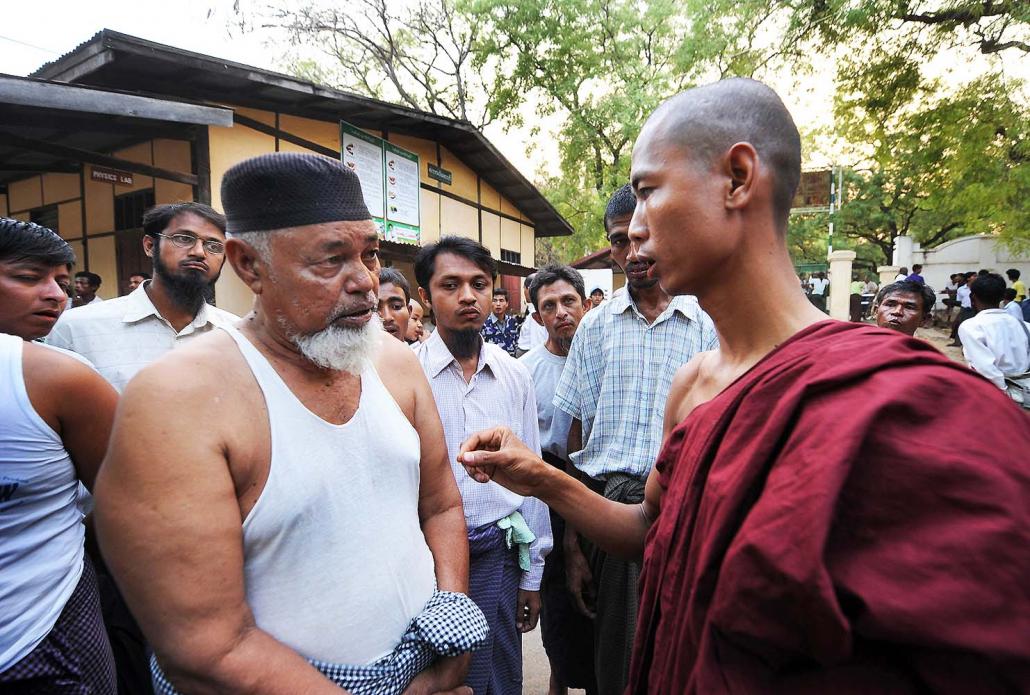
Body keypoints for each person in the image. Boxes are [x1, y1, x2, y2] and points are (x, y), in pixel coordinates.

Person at [457, 78, 1030, 693]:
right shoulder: (693, 387)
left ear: (737, 177)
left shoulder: (911, 405)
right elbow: (651, 533)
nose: (636, 232)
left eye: (650, 192)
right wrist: (538, 476)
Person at [95, 153, 485, 695]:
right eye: (330, 260)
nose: (365, 284)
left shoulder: (395, 364)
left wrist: (450, 635)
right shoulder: (176, 400)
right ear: (248, 264)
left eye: (370, 255)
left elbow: (440, 505)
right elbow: (207, 648)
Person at [552, 184, 717, 695]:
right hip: (611, 509)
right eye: (618, 241)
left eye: (641, 237)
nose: (632, 253)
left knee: (687, 651)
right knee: (618, 662)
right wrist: (575, 546)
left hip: (686, 506)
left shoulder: (706, 324)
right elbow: (575, 439)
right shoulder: (595, 327)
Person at [412, 236, 552, 694]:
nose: (468, 297)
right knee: (442, 677)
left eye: (479, 284)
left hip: (500, 553)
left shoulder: (514, 375)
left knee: (502, 673)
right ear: (425, 297)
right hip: (428, 560)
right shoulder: (405, 375)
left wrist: (533, 574)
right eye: (450, 285)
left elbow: (532, 477)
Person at [0, 218, 119, 693]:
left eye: (63, 283)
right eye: (29, 278)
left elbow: (119, 500)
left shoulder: (63, 378)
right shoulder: (60, 375)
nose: (55, 295)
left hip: (40, 624)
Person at [49, 202, 238, 392]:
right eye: (183, 238)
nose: (199, 252)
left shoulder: (237, 335)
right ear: (150, 246)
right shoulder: (74, 329)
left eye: (213, 245)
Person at [519, 265, 596, 695]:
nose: (561, 312)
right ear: (537, 316)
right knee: (558, 603)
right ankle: (558, 682)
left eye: (568, 301)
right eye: (549, 306)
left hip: (601, 488)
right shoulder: (525, 370)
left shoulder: (604, 356)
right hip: (549, 491)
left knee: (598, 599)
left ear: (584, 305)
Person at [958, 273, 1030, 393]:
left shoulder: (971, 326)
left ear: (972, 297)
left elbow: (985, 369)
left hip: (998, 396)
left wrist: (1004, 394)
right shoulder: (1025, 326)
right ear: (1003, 296)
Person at [482, 286, 519, 357]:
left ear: (507, 303)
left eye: (501, 300)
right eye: (494, 300)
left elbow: (517, 344)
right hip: (492, 364)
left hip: (510, 363)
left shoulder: (513, 322)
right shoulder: (483, 323)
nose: (498, 304)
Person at [377, 267, 411, 342]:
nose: (387, 317)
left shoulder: (421, 353)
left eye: (396, 306)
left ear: (409, 312)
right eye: (375, 308)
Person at [517, 274, 547, 357]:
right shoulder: (533, 309)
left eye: (524, 289)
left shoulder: (536, 311)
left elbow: (537, 342)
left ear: (529, 289)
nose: (524, 292)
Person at [949, 271, 977, 346]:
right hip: (964, 309)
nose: (976, 277)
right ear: (968, 278)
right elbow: (960, 300)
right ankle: (958, 342)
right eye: (974, 276)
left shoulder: (978, 288)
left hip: (975, 309)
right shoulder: (961, 289)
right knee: (961, 325)